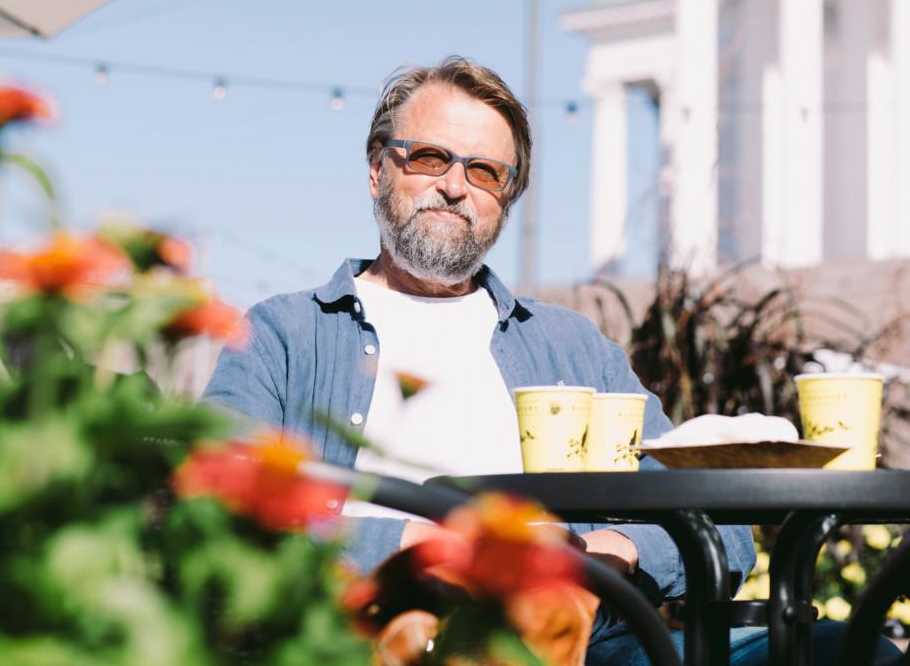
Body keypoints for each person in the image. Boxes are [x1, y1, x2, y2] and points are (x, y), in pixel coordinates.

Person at [201, 57, 898, 663]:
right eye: (428, 157)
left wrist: (611, 558)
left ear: (506, 200)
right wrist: (414, 542)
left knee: (847, 649)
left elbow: (721, 525)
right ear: (379, 168)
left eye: (484, 171)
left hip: (585, 644)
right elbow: (211, 506)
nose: (454, 185)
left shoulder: (569, 347)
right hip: (369, 633)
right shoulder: (286, 334)